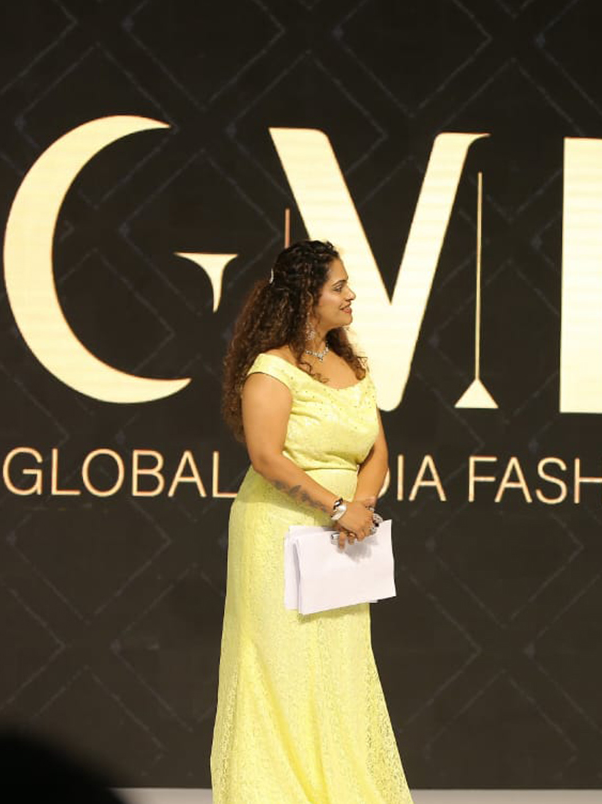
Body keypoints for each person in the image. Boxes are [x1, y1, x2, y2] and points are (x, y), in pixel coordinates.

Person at [210, 239, 412, 804]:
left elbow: (377, 450)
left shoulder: (351, 366)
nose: (351, 296)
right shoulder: (272, 370)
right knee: (283, 662)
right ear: (306, 296)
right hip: (280, 531)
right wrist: (338, 508)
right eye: (338, 286)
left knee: (340, 664)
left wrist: (361, 506)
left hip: (345, 536)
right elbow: (266, 456)